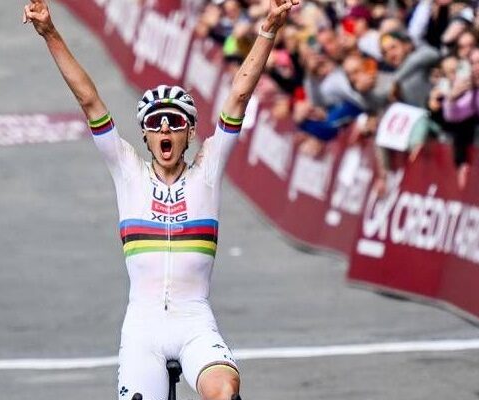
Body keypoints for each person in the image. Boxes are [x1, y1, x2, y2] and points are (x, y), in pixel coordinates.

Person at [22, 0, 299, 399]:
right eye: (155, 123)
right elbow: (89, 100)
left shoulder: (207, 170)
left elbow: (239, 96)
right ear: (146, 135)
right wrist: (50, 33)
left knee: (224, 390)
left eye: (175, 123)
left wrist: (268, 28)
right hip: (143, 327)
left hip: (194, 322)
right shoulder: (127, 171)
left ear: (190, 133)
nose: (164, 129)